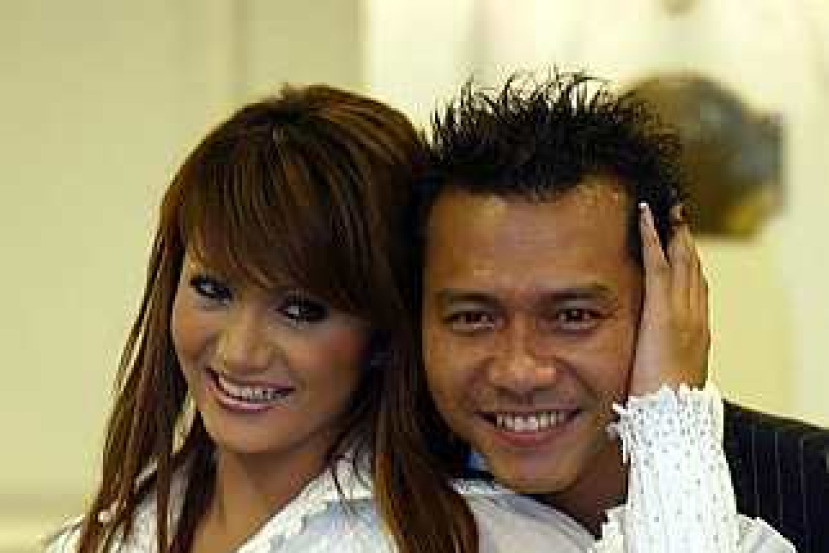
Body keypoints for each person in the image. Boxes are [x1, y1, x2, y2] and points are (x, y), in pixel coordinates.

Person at [44, 84, 579, 553]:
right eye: (213, 290)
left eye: (300, 310)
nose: (239, 353)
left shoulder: (491, 540)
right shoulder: (99, 539)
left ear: (384, 330)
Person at [410, 72, 796, 551]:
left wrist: (669, 426)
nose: (519, 373)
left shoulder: (812, 489)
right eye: (473, 318)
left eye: (573, 316)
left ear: (667, 302)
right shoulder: (373, 516)